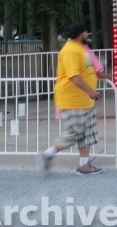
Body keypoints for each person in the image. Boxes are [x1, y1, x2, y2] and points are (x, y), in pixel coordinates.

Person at [41, 22, 103, 175]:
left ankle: (84, 165)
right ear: (81, 34)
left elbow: (86, 70)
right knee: (76, 131)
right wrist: (90, 91)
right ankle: (47, 154)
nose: (87, 35)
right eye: (86, 33)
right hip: (72, 99)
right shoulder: (70, 51)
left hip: (83, 100)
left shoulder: (80, 49)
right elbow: (74, 75)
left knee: (87, 133)